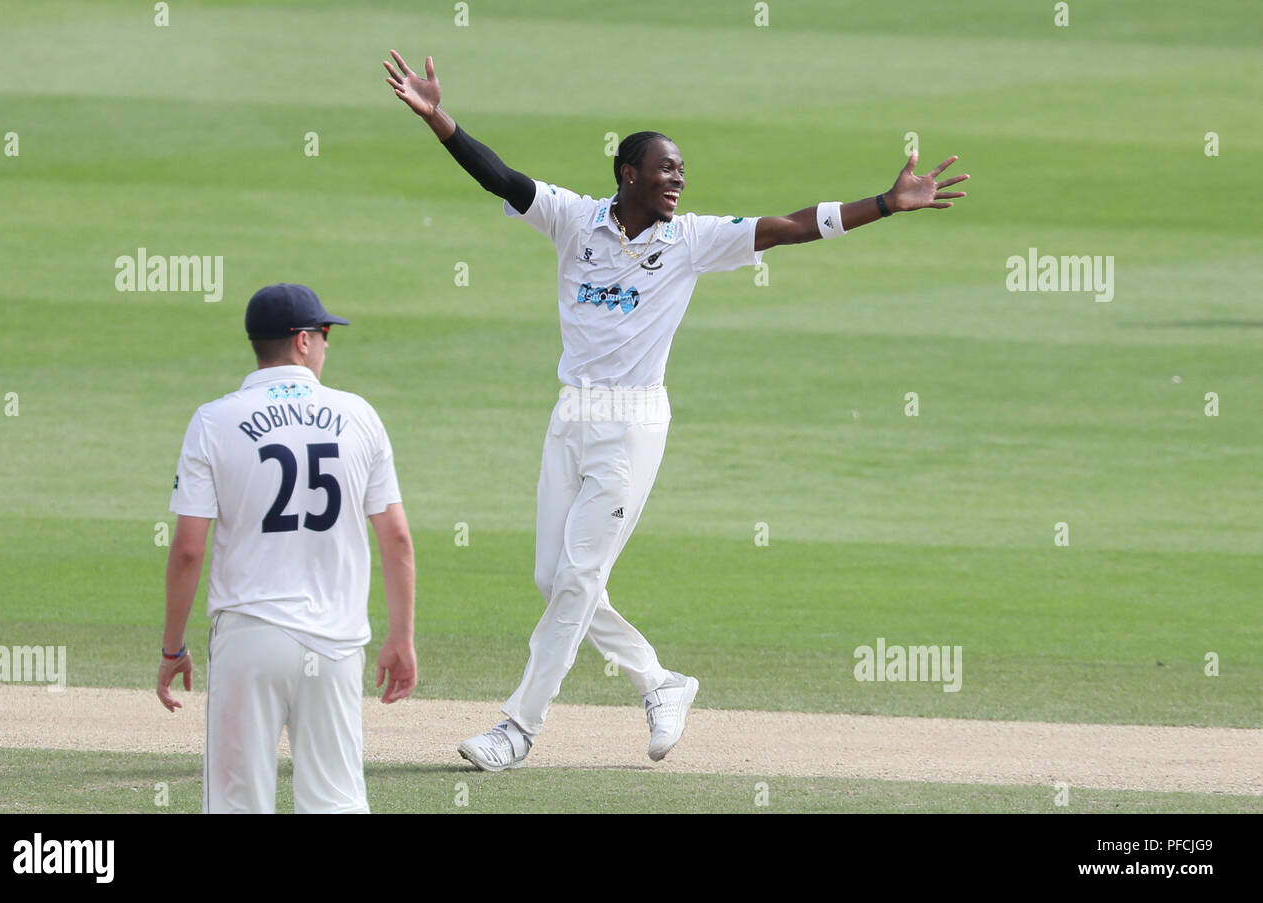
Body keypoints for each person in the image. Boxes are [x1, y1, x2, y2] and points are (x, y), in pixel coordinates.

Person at [382, 51, 968, 771]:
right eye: (666, 170)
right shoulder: (573, 220)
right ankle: (660, 680)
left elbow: (787, 226)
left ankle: (517, 728)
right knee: (555, 577)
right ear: (627, 173)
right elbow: (499, 177)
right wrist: (439, 117)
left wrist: (883, 203)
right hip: (570, 415)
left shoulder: (691, 240)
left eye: (682, 172)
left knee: (574, 578)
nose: (678, 180)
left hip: (632, 424)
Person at [156, 283, 418, 812]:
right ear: (302, 341)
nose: (327, 344)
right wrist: (401, 637)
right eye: (324, 334)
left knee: (237, 803)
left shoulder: (214, 420)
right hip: (336, 642)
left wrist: (172, 648)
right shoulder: (359, 415)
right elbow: (397, 538)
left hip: (248, 636)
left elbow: (187, 549)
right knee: (335, 802)